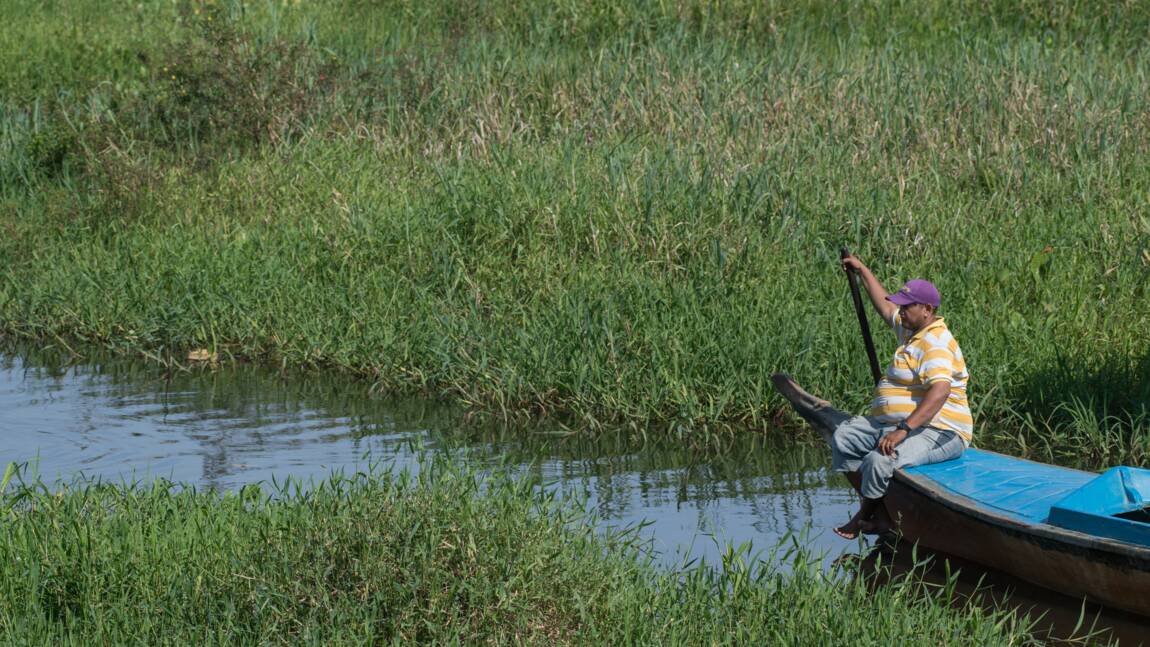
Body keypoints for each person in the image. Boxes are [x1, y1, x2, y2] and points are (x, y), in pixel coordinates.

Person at [830, 254, 973, 539]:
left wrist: (902, 430)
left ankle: (866, 514)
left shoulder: (934, 343)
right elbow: (885, 305)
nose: (901, 310)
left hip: (941, 431)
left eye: (908, 307)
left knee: (878, 460)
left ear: (928, 310)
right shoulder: (913, 330)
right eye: (903, 305)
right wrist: (862, 271)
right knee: (843, 437)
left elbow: (940, 391)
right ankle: (879, 509)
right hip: (901, 424)